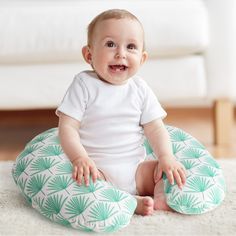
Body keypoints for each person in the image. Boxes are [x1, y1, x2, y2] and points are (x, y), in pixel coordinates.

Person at [56, 9, 186, 216]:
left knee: (164, 172)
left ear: (142, 59)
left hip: (135, 170)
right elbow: (67, 127)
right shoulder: (83, 84)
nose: (121, 53)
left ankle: (160, 196)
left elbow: (156, 129)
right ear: (88, 54)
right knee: (79, 187)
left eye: (131, 47)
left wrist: (166, 157)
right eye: (110, 44)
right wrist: (79, 158)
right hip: (97, 169)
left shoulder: (140, 89)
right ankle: (129, 202)